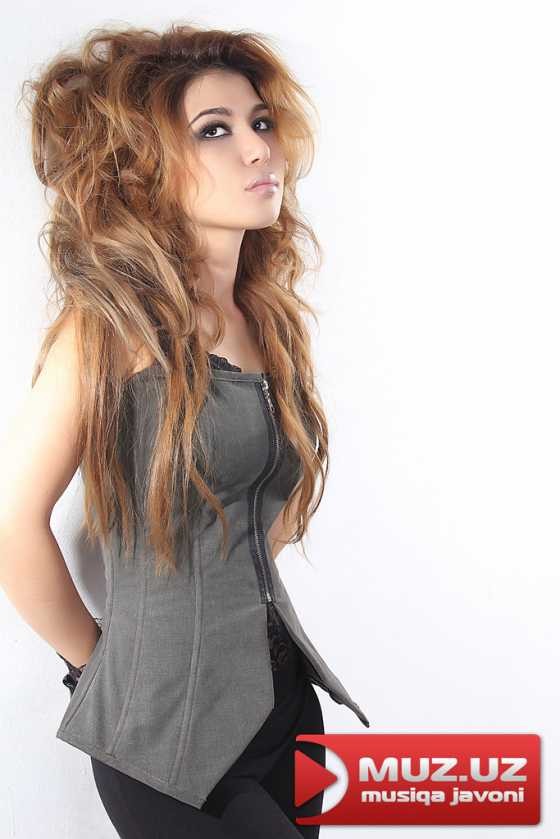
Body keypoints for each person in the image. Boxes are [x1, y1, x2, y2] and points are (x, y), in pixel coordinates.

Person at [0, 21, 370, 838]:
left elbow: (260, 509)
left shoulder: (266, 320)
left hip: (288, 716)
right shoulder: (109, 329)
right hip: (165, 742)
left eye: (260, 121)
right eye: (214, 130)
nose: (258, 148)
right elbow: (11, 523)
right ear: (146, 165)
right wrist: (96, 667)